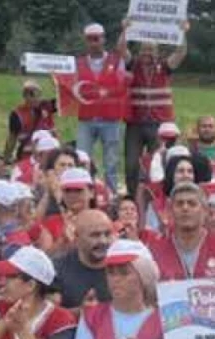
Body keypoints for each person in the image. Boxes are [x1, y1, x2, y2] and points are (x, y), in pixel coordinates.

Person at [123, 24, 189, 199]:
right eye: (144, 49)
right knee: (131, 164)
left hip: (159, 124)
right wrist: (125, 30)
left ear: (157, 52)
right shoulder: (132, 65)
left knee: (157, 163)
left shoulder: (164, 67)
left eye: (151, 50)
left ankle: (156, 197)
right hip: (135, 123)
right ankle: (131, 198)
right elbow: (121, 49)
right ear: (139, 51)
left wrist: (182, 32)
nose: (148, 53)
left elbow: (181, 52)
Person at [74, 23, 129, 193]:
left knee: (111, 163)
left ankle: (111, 195)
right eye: (90, 39)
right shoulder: (78, 62)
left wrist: (125, 29)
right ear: (85, 41)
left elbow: (122, 85)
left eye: (97, 39)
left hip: (110, 119)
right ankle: (84, 192)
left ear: (103, 39)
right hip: (86, 118)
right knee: (82, 159)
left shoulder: (116, 60)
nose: (93, 43)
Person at [147, 183, 215, 281]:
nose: (185, 208)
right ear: (170, 211)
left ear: (205, 211)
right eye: (179, 204)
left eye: (192, 203)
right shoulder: (154, 251)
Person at [52, 210, 114, 308]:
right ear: (77, 237)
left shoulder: (124, 268)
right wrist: (80, 313)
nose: (103, 241)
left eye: (107, 234)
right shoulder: (57, 270)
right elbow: (49, 317)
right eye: (95, 235)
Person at [38, 167, 94, 253]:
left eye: (78, 190)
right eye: (67, 191)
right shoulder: (50, 223)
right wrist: (63, 239)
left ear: (91, 192)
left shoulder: (102, 221)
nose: (72, 195)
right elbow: (46, 258)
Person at [4, 80, 56, 163]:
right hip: (28, 154)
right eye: (32, 95)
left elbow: (63, 100)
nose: (36, 98)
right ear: (24, 96)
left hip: (50, 153)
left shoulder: (46, 106)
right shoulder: (17, 114)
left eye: (38, 95)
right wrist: (6, 158)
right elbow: (12, 139)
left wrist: (56, 86)